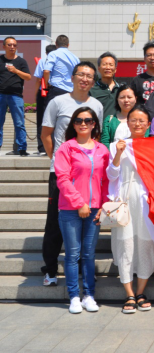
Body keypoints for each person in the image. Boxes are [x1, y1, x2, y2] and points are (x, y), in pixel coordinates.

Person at [41, 61, 104, 287]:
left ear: (93, 81)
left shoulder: (96, 105)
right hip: (61, 174)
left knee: (85, 221)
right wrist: (58, 161)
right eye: (81, 74)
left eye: (89, 76)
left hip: (86, 174)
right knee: (55, 222)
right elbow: (46, 134)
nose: (85, 79)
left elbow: (96, 136)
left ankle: (82, 269)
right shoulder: (57, 102)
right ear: (72, 77)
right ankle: (50, 269)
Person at [108, 105, 154, 313]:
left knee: (146, 244)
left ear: (148, 124)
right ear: (127, 122)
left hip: (147, 202)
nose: (137, 124)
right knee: (125, 245)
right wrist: (118, 154)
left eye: (142, 121)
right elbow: (111, 175)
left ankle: (140, 292)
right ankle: (129, 294)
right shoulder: (116, 146)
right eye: (133, 120)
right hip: (124, 201)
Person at [54, 107, 109, 314]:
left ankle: (89, 295)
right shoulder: (66, 148)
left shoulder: (102, 150)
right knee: (72, 254)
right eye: (78, 120)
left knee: (88, 254)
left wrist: (102, 205)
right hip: (70, 209)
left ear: (94, 124)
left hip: (94, 209)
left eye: (88, 120)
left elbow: (105, 181)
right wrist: (79, 203)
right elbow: (63, 179)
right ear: (73, 124)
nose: (83, 123)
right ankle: (74, 297)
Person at [0, 36, 31, 156]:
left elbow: (28, 77)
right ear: (4, 46)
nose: (12, 47)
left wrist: (16, 71)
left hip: (16, 95)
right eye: (9, 45)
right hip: (1, 94)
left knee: (19, 123)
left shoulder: (21, 62)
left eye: (14, 45)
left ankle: (22, 148)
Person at [33, 44, 57, 156]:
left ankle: (42, 148)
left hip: (43, 92)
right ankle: (55, 145)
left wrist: (35, 93)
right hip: (57, 92)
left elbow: (38, 79)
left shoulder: (42, 61)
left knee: (42, 120)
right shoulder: (59, 61)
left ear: (46, 53)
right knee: (55, 119)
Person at [43, 35, 80, 105]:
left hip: (56, 88)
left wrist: (46, 84)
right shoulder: (75, 58)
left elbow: (46, 71)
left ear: (56, 43)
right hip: (71, 90)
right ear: (68, 45)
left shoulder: (53, 54)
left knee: (51, 111)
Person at [89, 52, 121, 117]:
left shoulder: (121, 90)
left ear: (115, 69)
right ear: (99, 69)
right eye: (104, 64)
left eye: (111, 65)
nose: (108, 67)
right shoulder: (91, 90)